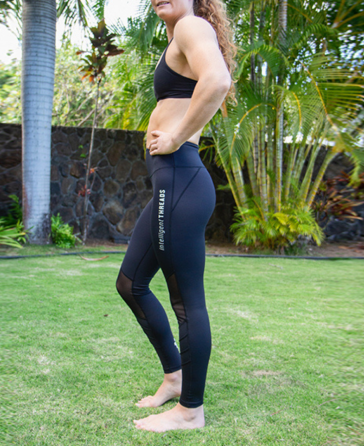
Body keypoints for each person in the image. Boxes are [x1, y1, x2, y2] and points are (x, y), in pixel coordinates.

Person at [114, 0, 235, 433]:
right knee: (130, 283)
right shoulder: (179, 34)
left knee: (186, 302)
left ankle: (190, 411)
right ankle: (174, 375)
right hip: (171, 184)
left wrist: (176, 137)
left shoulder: (190, 24)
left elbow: (217, 80)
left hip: (180, 179)